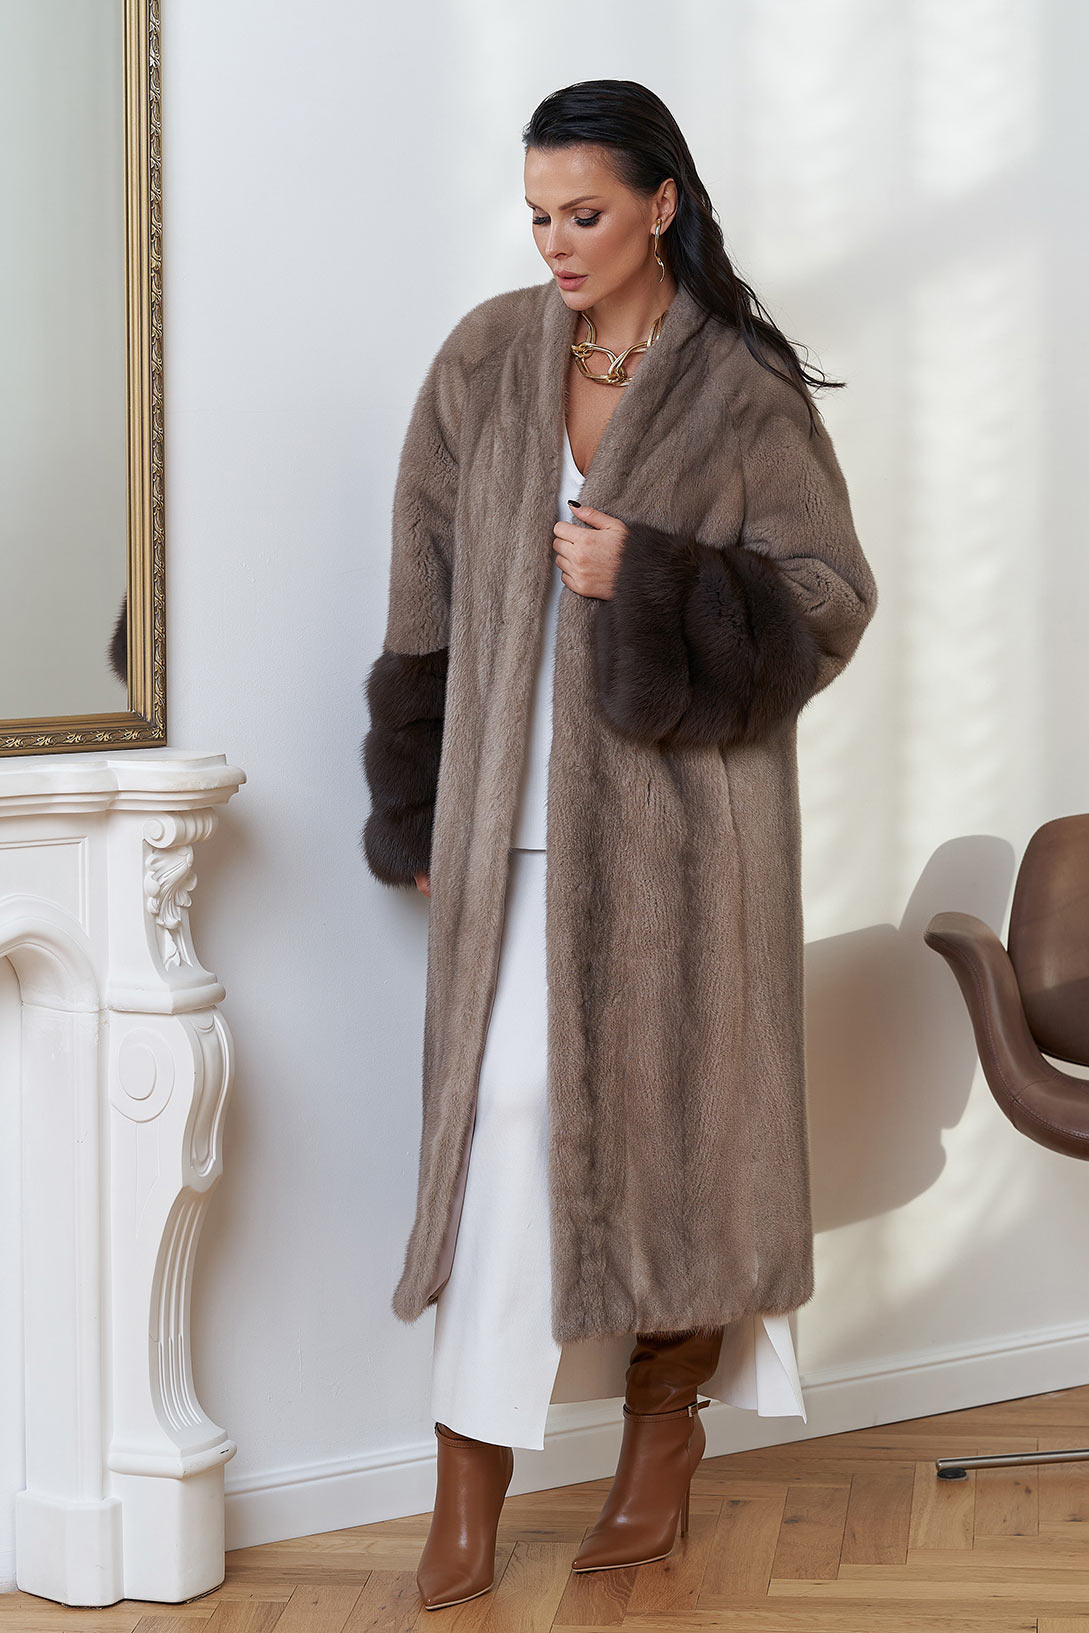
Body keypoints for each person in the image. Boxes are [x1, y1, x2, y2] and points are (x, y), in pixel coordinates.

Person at [361, 79, 878, 1613]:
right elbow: (421, 588)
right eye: (536, 215)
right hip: (504, 815)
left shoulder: (741, 387)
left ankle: (664, 1431)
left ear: (660, 204)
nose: (554, 242)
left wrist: (648, 574)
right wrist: (413, 798)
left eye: (582, 212)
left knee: (677, 1136)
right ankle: (468, 1476)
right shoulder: (483, 360)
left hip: (684, 838)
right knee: (507, 1116)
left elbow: (827, 599)